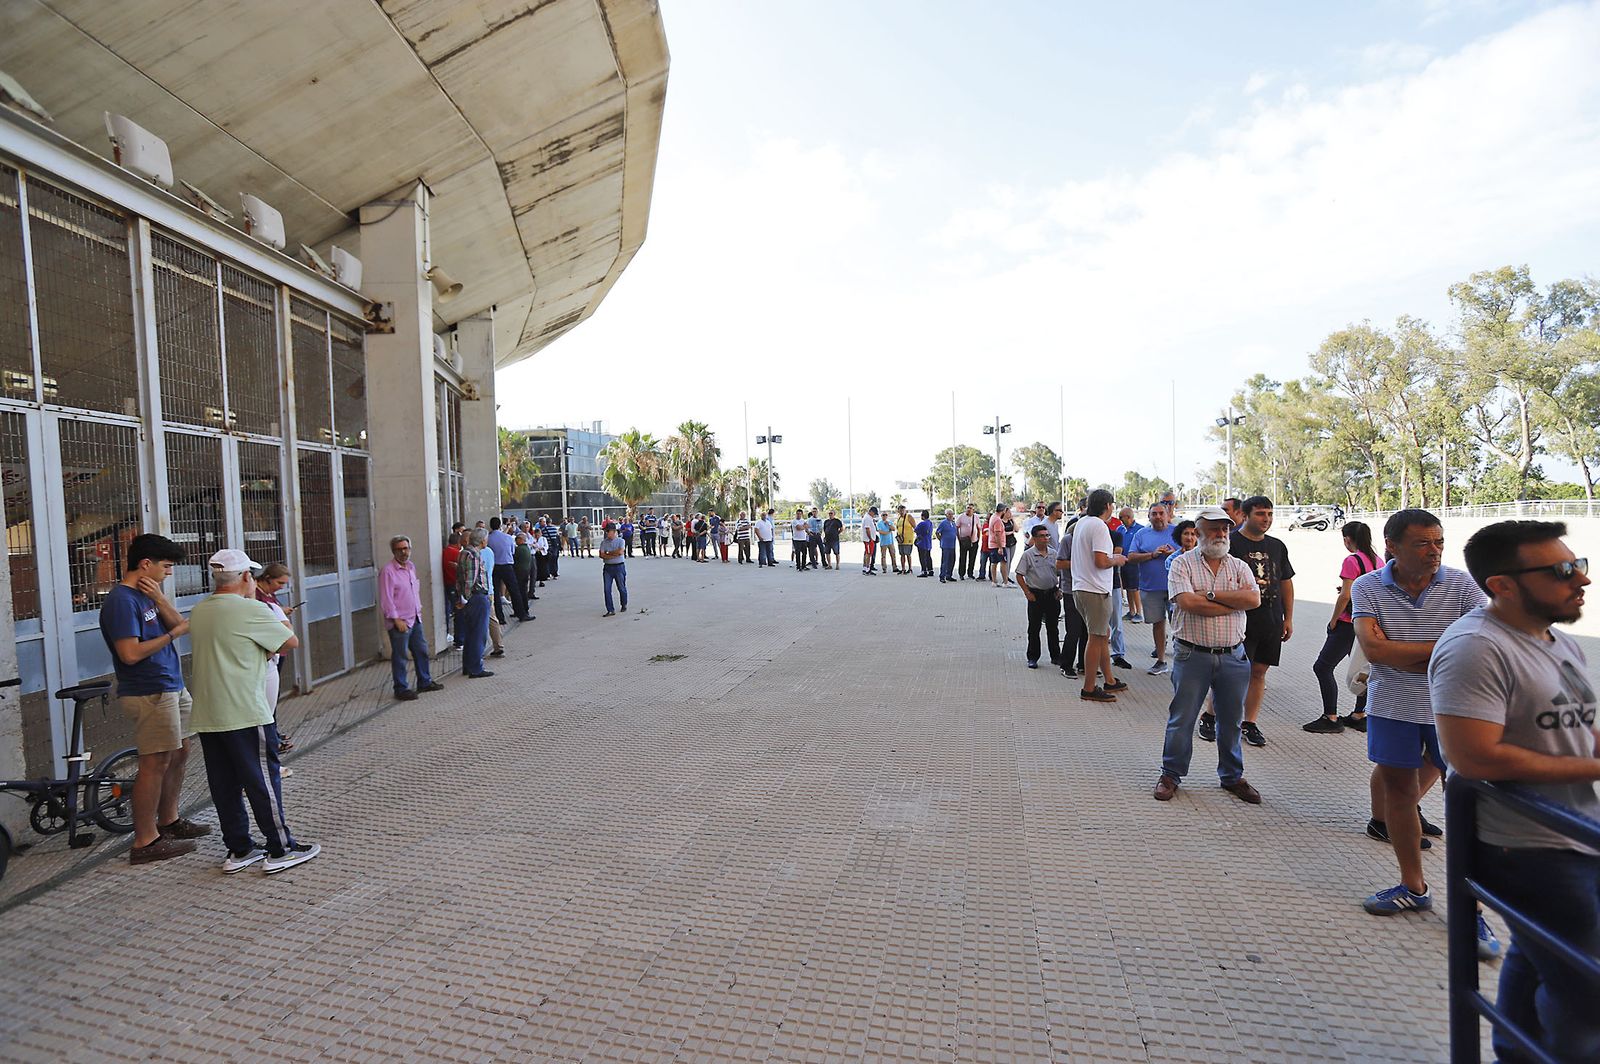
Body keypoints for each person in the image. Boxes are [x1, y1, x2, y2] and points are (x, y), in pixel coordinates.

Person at [1433, 521, 1597, 1062]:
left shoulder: (1559, 640)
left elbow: (1582, 727)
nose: (1582, 580)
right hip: (1529, 847)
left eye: (1580, 565)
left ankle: (1515, 1052)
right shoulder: (1476, 648)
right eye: (1563, 571)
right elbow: (1474, 756)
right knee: (1587, 992)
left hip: (1575, 835)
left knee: (1535, 957)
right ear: (1502, 585)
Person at [1351, 509, 1489, 936]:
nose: (1435, 552)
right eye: (1423, 543)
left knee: (1466, 802)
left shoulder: (1462, 585)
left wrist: (1406, 651)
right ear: (1391, 545)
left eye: (1439, 542)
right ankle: (1414, 885)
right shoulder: (1367, 586)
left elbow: (1478, 646)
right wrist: (1442, 649)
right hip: (1391, 706)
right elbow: (1375, 652)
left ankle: (1474, 911)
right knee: (1400, 794)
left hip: (1457, 709)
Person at [189, 549, 318, 874]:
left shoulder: (200, 610)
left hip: (208, 713)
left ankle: (240, 848)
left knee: (224, 785)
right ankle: (281, 848)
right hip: (244, 710)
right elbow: (290, 641)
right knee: (263, 780)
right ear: (247, 577)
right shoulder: (252, 609)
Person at [99, 533, 208, 865]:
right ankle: (145, 841)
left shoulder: (148, 594)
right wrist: (171, 635)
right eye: (167, 566)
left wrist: (161, 600)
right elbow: (130, 654)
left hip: (170, 684)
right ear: (145, 564)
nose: (170, 572)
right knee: (154, 762)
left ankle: (169, 820)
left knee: (181, 750)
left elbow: (182, 624)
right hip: (148, 690)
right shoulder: (122, 601)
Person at [1152, 508, 1262, 804]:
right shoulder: (1181, 564)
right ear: (1198, 532)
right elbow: (1187, 602)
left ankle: (1232, 776)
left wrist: (1210, 595)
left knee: (1231, 720)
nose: (1221, 534)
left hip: (1233, 657)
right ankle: (1170, 774)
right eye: (1214, 529)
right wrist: (1231, 601)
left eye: (1225, 529)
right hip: (1192, 656)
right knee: (1182, 719)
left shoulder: (1239, 566)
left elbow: (1253, 599)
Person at [1200, 495, 1292, 748]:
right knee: (1230, 673)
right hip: (1240, 621)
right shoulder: (1231, 544)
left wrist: (1288, 618)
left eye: (1270, 514)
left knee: (1259, 672)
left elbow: (1285, 582)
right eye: (1261, 514)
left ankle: (1249, 723)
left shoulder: (1277, 546)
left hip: (1271, 621)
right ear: (1246, 515)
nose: (1267, 519)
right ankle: (1210, 716)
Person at [1304, 521, 1381, 733]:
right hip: (1368, 623)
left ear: (1347, 539)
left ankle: (1330, 717)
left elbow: (1345, 595)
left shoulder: (1351, 560)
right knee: (1362, 668)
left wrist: (1333, 620)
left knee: (1323, 667)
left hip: (1348, 623)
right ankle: (1360, 713)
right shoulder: (1379, 561)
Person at [1071, 490, 1126, 702]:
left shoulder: (1082, 523)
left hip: (1082, 587)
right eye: (1112, 504)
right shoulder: (1099, 526)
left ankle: (1109, 680)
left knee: (1102, 634)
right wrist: (1117, 560)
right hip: (1095, 589)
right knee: (1096, 637)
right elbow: (1101, 561)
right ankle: (1089, 687)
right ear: (1108, 505)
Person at [379, 536, 441, 702]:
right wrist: (395, 619)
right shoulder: (388, 571)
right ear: (394, 551)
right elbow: (386, 599)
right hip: (400, 621)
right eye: (400, 549)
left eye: (406, 548)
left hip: (415, 618)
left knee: (421, 650)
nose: (404, 552)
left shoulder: (411, 567)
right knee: (400, 656)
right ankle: (401, 688)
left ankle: (424, 681)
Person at [1126, 504, 1179, 676]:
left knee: (1179, 625)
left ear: (1167, 515)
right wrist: (1152, 555)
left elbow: (1192, 551)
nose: (1158, 517)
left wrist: (1174, 553)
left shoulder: (1178, 532)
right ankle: (1161, 660)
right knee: (1158, 623)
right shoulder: (1141, 534)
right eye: (1154, 514)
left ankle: (1181, 662)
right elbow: (1131, 557)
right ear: (1148, 516)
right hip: (1150, 587)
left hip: (1176, 588)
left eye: (1161, 513)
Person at [1015, 525, 1062, 668]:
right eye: (1042, 536)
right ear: (1034, 538)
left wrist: (1060, 589)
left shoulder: (1054, 554)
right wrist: (1027, 592)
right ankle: (1033, 657)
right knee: (1034, 628)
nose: (1046, 538)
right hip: (1036, 596)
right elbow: (1019, 575)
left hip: (1052, 594)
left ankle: (1056, 656)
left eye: (1047, 535)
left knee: (1053, 627)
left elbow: (1061, 574)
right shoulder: (1028, 555)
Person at [454, 528, 495, 678]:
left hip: (470, 598)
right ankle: (476, 668)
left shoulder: (464, 553)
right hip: (477, 597)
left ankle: (468, 666)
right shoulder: (473, 555)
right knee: (478, 634)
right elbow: (469, 581)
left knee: (470, 634)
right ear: (482, 540)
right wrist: (466, 598)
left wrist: (461, 598)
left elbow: (460, 578)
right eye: (486, 539)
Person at [486, 517, 529, 624]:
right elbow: (512, 551)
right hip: (507, 565)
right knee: (514, 591)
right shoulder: (508, 538)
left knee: (495, 592)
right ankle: (521, 614)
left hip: (494, 566)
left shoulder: (488, 539)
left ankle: (500, 618)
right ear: (500, 525)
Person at [1119, 506, 1146, 623]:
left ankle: (1139, 613)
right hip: (1123, 562)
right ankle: (1131, 611)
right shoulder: (1121, 529)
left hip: (1135, 563)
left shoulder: (1140, 530)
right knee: (1128, 588)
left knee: (1135, 588)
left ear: (1128, 517)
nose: (1119, 519)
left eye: (1121, 517)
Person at [599, 521, 629, 615]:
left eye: (608, 531)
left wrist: (608, 553)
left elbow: (620, 552)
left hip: (619, 567)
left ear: (613, 531)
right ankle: (610, 609)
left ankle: (624, 604)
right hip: (608, 568)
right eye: (606, 531)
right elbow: (601, 555)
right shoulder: (604, 542)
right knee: (607, 589)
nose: (607, 533)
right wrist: (612, 554)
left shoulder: (621, 541)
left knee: (621, 588)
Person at [986, 505, 1010, 587]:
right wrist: (1000, 547)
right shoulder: (998, 520)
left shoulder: (993, 517)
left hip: (992, 544)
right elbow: (997, 534)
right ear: (1003, 511)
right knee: (1003, 562)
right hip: (998, 545)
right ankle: (1005, 582)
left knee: (994, 562)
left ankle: (994, 581)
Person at [956, 504, 980, 581]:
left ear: (973, 510)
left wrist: (978, 538)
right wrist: (959, 538)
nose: (968, 509)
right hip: (964, 541)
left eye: (970, 508)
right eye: (967, 508)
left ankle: (970, 573)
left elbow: (979, 528)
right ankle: (961, 574)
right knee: (963, 558)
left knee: (972, 558)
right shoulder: (961, 517)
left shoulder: (976, 517)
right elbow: (957, 527)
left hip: (974, 541)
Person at [936, 509, 958, 583]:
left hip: (953, 545)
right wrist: (941, 539)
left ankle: (949, 575)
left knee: (952, 560)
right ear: (946, 515)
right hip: (946, 545)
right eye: (949, 514)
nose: (951, 515)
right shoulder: (943, 523)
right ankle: (942, 576)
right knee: (945, 561)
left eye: (951, 514)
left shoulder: (953, 523)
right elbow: (937, 532)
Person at [896, 506, 917, 576]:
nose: (901, 512)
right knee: (901, 554)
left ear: (905, 511)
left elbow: (915, 527)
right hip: (900, 540)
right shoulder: (899, 518)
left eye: (903, 510)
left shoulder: (909, 516)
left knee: (908, 554)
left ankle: (910, 568)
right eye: (900, 510)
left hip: (908, 539)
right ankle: (903, 569)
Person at [914, 510, 934, 577]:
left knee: (922, 557)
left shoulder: (922, 523)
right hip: (928, 542)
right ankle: (930, 570)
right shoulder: (930, 523)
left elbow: (916, 530)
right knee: (928, 556)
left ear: (922, 516)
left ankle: (924, 571)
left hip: (922, 542)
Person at [877, 510, 898, 574]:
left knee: (893, 555)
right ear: (881, 516)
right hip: (883, 542)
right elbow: (880, 532)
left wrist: (888, 524)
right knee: (883, 555)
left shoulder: (889, 522)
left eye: (886, 515)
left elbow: (893, 529)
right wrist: (888, 532)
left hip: (890, 542)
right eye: (883, 515)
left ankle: (894, 567)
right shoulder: (879, 523)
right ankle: (884, 568)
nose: (885, 516)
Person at [860, 507, 880, 574]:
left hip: (868, 539)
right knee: (868, 554)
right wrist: (870, 538)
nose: (874, 515)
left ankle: (865, 568)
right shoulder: (868, 518)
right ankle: (867, 569)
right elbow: (867, 529)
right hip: (868, 540)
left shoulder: (868, 518)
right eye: (874, 513)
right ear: (871, 512)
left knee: (867, 553)